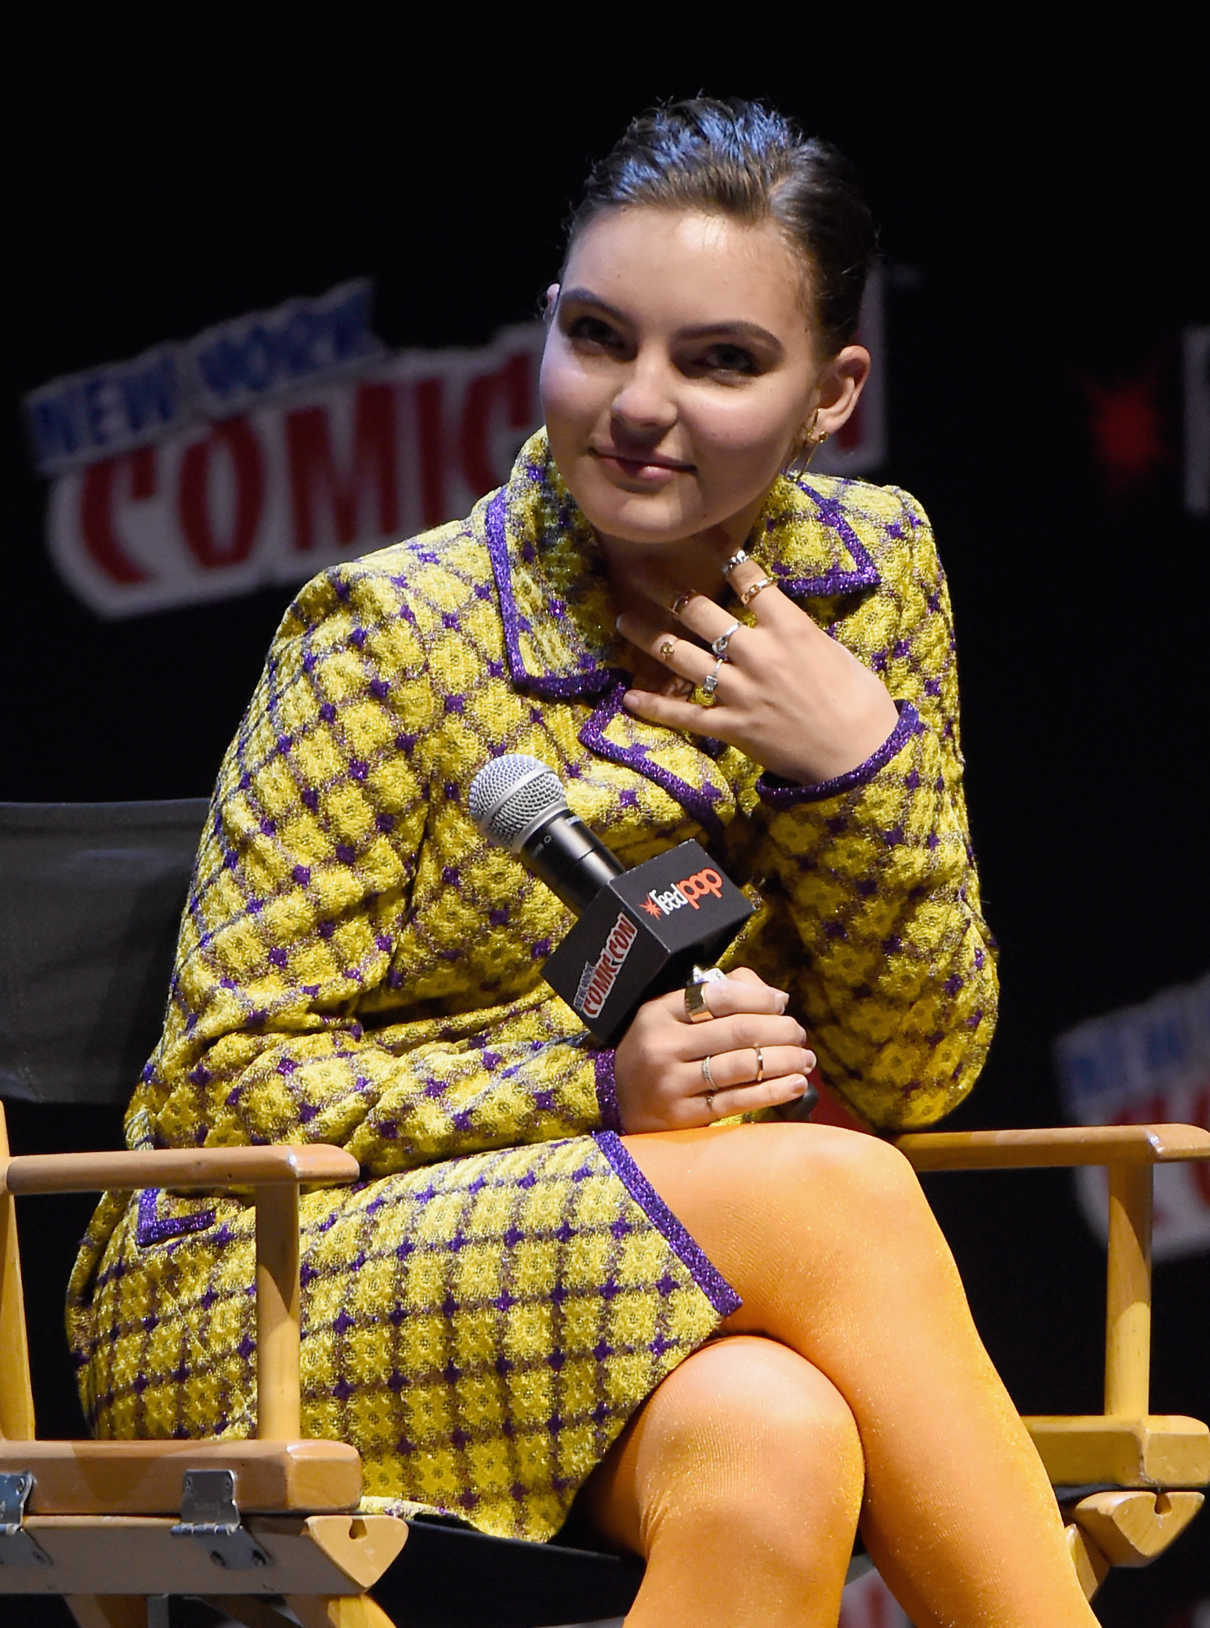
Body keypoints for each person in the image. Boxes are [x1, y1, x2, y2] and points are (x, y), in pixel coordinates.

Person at [67, 99, 1098, 1626]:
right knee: (832, 1193)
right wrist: (600, 1093)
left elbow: (917, 1063)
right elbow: (227, 1083)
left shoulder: (871, 587)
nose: (638, 402)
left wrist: (850, 764)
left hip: (626, 1275)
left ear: (830, 392)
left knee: (778, 1442)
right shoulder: (394, 635)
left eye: (721, 360)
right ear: (547, 328)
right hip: (260, 1284)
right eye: (599, 336)